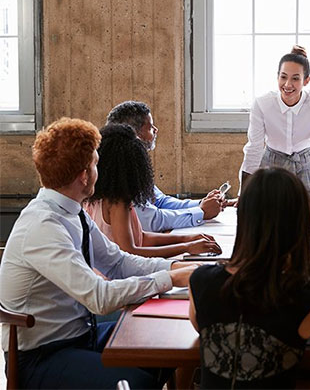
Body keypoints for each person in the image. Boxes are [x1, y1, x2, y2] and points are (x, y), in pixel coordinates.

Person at [0, 118, 199, 389]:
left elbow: (117, 261)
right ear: (84, 175)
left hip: (80, 337)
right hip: (41, 357)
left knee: (169, 347)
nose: (99, 170)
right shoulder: (42, 226)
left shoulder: (72, 210)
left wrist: (173, 268)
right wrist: (171, 279)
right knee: (139, 382)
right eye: (95, 163)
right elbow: (98, 298)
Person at [188, 168, 310, 388]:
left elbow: (202, 328)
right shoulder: (306, 300)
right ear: (300, 224)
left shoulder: (200, 280)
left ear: (243, 218)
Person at [85, 123, 221, 258]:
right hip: (122, 275)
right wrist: (186, 248)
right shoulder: (117, 202)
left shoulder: (96, 198)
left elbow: (141, 237)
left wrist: (186, 239)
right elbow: (130, 252)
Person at [239, 45, 310, 204]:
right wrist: (243, 192)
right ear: (277, 77)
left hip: (307, 164)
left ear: (306, 80)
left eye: (295, 78)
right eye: (283, 77)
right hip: (271, 165)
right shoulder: (262, 104)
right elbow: (254, 148)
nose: (287, 84)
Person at [106, 100, 223, 231]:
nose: (156, 130)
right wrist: (201, 212)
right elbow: (152, 220)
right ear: (135, 134)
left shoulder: (134, 164)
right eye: (150, 127)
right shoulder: (120, 172)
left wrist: (203, 203)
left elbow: (159, 201)